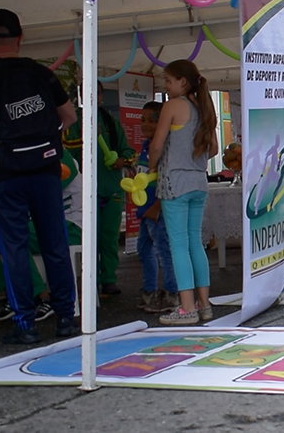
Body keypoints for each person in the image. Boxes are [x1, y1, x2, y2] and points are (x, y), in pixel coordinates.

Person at [0, 8, 80, 343]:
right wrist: (48, 136)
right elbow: (68, 116)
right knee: (55, 245)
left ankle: (26, 325)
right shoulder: (41, 73)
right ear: (21, 38)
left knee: (14, 250)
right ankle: (66, 319)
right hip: (45, 170)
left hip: (3, 174)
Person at [0, 150, 82, 323]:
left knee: (14, 234)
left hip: (69, 225)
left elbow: (40, 191)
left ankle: (42, 298)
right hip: (35, 226)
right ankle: (13, 295)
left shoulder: (59, 154)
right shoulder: (12, 156)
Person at [149, 59, 218, 325]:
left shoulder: (173, 106)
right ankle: (204, 304)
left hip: (174, 182)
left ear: (183, 81)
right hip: (198, 182)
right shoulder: (203, 107)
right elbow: (212, 149)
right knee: (194, 244)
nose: (165, 85)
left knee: (178, 245)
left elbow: (156, 145)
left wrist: (152, 167)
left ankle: (186, 307)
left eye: (168, 80)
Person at [63, 81, 135, 295]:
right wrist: (89, 134)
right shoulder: (72, 122)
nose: (93, 96)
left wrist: (121, 161)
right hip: (84, 193)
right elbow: (67, 152)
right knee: (89, 238)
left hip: (111, 188)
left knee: (109, 237)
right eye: (86, 92)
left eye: (97, 93)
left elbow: (128, 152)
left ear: (102, 96)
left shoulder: (111, 123)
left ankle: (109, 278)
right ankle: (90, 279)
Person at [134, 101, 179, 313]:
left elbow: (167, 180)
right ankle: (149, 291)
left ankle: (171, 294)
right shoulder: (145, 147)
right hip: (145, 210)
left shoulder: (164, 148)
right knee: (143, 249)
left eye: (150, 120)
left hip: (157, 210)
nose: (144, 124)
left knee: (164, 250)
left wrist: (157, 206)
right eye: (141, 120)